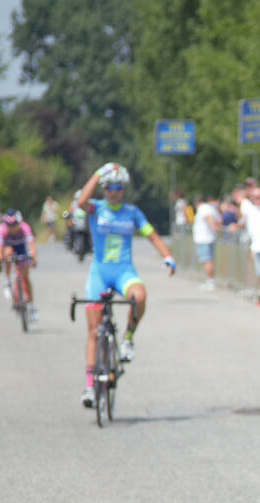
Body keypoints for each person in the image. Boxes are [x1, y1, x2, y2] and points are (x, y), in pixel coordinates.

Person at [74, 162, 176, 407]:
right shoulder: (95, 208)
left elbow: (151, 234)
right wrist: (99, 172)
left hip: (123, 271)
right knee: (92, 330)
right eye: (108, 187)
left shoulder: (132, 212)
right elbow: (79, 202)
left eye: (118, 187)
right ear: (103, 189)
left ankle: (128, 337)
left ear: (124, 189)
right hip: (99, 272)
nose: (113, 191)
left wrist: (167, 256)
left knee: (139, 297)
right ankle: (89, 387)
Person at [0, 209, 39, 320]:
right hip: (9, 248)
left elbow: (31, 245)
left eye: (14, 225)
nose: (12, 228)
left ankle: (32, 306)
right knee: (8, 253)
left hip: (21, 249)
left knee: (25, 276)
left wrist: (33, 258)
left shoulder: (25, 228)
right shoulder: (2, 230)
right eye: (9, 225)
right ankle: (7, 280)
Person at [192, 194, 221, 290]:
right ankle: (209, 280)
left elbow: (209, 219)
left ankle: (210, 281)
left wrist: (214, 227)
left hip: (204, 239)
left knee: (206, 260)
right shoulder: (210, 208)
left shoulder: (203, 208)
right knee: (207, 260)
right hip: (207, 238)